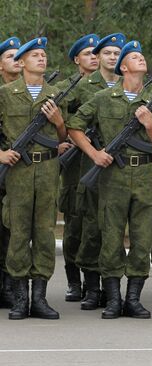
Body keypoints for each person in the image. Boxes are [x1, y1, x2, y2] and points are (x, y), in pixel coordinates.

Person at [68, 40, 152, 319]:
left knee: (141, 237)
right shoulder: (103, 99)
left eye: (142, 55)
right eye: (135, 57)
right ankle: (112, 299)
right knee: (110, 235)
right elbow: (75, 127)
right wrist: (94, 152)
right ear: (124, 67)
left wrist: (149, 125)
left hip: (146, 174)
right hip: (113, 175)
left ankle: (133, 299)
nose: (142, 59)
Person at [0, 37, 68, 320]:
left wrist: (58, 122)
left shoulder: (56, 94)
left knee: (43, 233)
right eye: (35, 55)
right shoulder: (5, 94)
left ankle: (39, 298)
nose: (42, 59)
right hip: (18, 172)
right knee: (18, 233)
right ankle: (19, 298)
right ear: (22, 62)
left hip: (48, 170)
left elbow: (64, 138)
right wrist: (1, 155)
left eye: (43, 55)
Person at [70, 32, 125, 311]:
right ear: (99, 57)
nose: (112, 57)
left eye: (117, 53)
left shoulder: (130, 87)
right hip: (92, 162)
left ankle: (111, 286)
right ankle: (92, 287)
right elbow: (67, 123)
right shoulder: (82, 87)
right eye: (107, 53)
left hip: (122, 169)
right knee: (92, 227)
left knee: (112, 228)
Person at [57, 34, 100, 302]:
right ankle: (74, 280)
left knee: (97, 225)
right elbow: (55, 120)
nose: (93, 57)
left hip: (100, 162)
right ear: (76, 59)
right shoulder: (65, 87)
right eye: (88, 54)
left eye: (97, 53)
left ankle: (96, 283)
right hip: (75, 164)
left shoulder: (112, 86)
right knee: (74, 225)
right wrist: (61, 141)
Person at [0, 36, 22, 309]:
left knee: (11, 230)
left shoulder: (27, 94)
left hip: (17, 174)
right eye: (10, 57)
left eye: (20, 56)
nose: (16, 60)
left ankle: (7, 287)